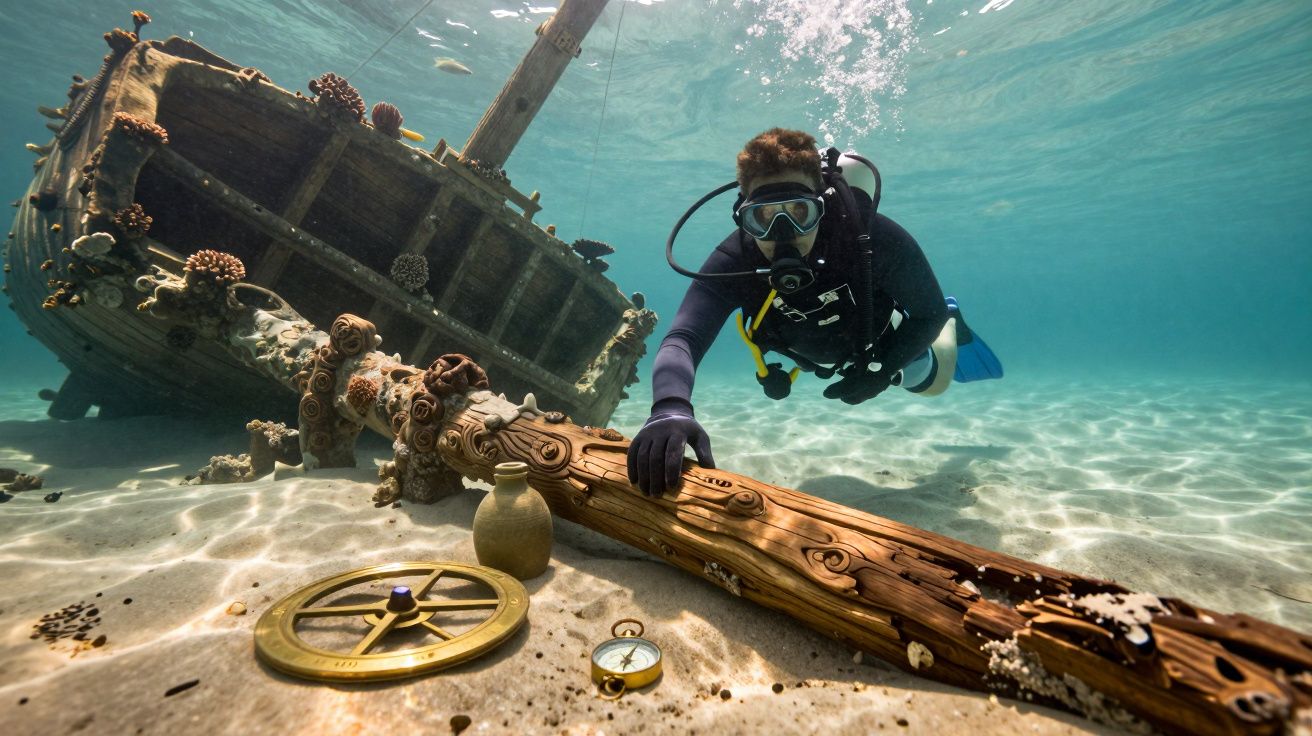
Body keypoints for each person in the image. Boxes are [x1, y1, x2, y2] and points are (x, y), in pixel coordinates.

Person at [626, 128, 1001, 496]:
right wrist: (670, 407)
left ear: (821, 206)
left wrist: (883, 371)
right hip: (811, 353)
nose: (782, 233)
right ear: (743, 215)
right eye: (763, 218)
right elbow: (684, 338)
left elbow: (928, 313)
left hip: (886, 340)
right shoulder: (734, 259)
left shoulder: (872, 239)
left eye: (799, 212)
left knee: (931, 384)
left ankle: (957, 323)